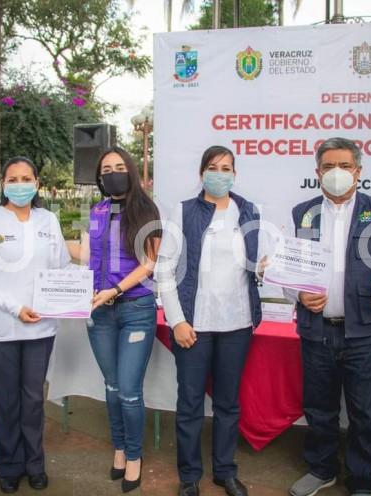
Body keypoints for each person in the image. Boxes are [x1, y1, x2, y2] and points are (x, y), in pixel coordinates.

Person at [287, 137, 371, 496]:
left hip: (366, 333)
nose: (336, 173)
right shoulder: (303, 213)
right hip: (317, 331)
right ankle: (322, 469)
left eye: (344, 166)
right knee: (319, 408)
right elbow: (289, 265)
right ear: (317, 172)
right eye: (328, 167)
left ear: (358, 171)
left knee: (366, 414)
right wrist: (299, 293)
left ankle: (361, 481)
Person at [156, 145, 263, 496]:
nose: (221, 174)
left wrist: (262, 268)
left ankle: (224, 471)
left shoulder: (248, 210)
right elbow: (165, 270)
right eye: (214, 167)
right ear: (202, 173)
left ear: (235, 173)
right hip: (195, 326)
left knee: (228, 404)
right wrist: (177, 321)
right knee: (189, 404)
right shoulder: (184, 211)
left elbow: (253, 263)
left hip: (237, 324)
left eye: (227, 168)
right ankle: (189, 476)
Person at [0, 156, 70, 493]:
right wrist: (14, 307)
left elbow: (62, 267)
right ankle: (9, 466)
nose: (20, 184)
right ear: (3, 183)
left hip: (41, 328)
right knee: (6, 401)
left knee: (34, 399)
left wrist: (81, 292)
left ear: (37, 183)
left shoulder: (48, 220)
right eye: (13, 178)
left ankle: (34, 464)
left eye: (27, 178)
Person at [68, 146, 161, 493]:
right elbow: (88, 255)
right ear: (100, 177)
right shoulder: (97, 211)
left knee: (130, 392)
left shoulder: (146, 208)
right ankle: (119, 449)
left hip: (135, 309)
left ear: (131, 171)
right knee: (111, 386)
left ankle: (134, 456)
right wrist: (49, 240)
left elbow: (150, 263)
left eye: (119, 167)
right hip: (100, 311)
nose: (113, 173)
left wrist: (115, 290)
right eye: (106, 169)